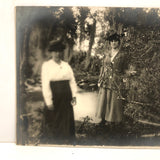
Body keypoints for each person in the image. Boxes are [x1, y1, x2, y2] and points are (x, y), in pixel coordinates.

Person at [41, 39, 77, 144]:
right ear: (51, 52)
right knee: (53, 119)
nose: (57, 53)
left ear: (61, 52)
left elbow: (72, 81)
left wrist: (74, 96)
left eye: (59, 51)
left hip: (66, 97)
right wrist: (48, 101)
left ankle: (67, 140)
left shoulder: (66, 65)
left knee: (66, 119)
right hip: (54, 96)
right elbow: (45, 84)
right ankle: (54, 141)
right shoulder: (46, 66)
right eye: (55, 51)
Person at [96, 32, 130, 128]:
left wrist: (128, 75)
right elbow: (103, 67)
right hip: (105, 79)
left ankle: (112, 120)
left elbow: (125, 69)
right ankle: (102, 119)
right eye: (112, 41)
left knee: (114, 100)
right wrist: (100, 79)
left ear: (118, 43)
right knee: (104, 99)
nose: (114, 43)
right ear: (109, 43)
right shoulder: (107, 54)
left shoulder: (123, 55)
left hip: (116, 80)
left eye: (116, 41)